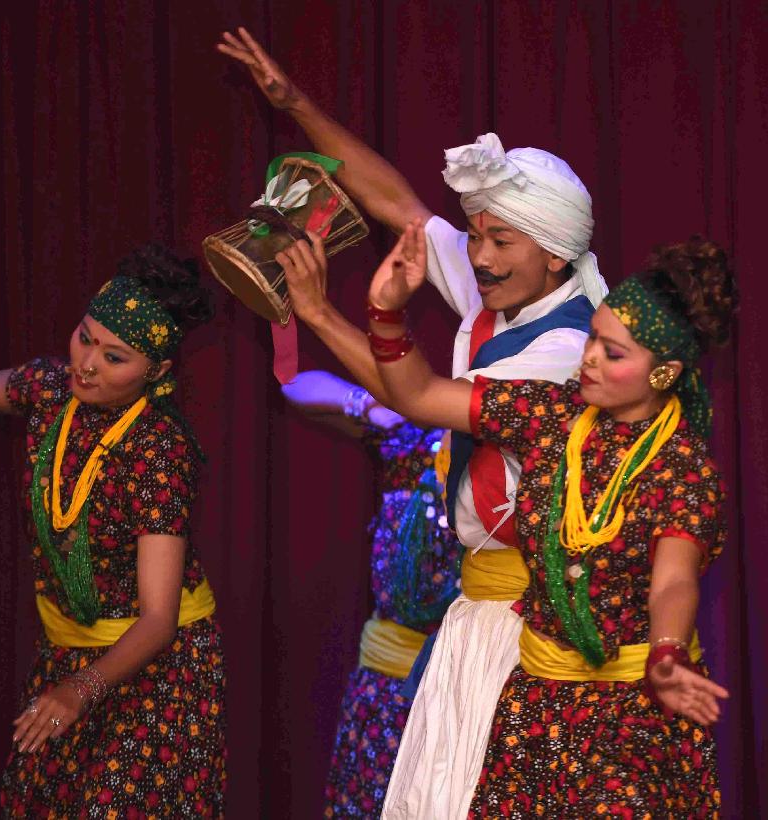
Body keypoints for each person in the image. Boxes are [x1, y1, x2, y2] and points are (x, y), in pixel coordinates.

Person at [219, 29, 609, 817]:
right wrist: (296, 104)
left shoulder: (567, 347)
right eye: (478, 236)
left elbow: (418, 396)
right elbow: (399, 205)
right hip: (481, 611)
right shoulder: (510, 289)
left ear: (555, 255)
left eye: (500, 241)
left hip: (533, 623)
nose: (480, 257)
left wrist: (319, 314)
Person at [277, 220, 734, 816]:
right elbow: (419, 396)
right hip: (534, 709)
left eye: (613, 352)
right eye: (593, 338)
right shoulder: (549, 414)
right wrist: (385, 315)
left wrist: (667, 653)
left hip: (631, 718)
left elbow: (673, 580)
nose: (590, 358)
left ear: (663, 373)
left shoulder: (682, 469)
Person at [0, 245, 227, 816]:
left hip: (160, 667)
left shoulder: (159, 450)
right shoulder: (49, 389)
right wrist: (70, 682)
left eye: (115, 357)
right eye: (84, 338)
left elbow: (158, 620)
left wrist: (79, 691)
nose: (86, 365)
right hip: (68, 651)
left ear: (157, 372)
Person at [280, 371, 461, 816]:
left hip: (461, 690)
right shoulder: (412, 441)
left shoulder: (509, 460)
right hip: (387, 687)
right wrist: (370, 407)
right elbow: (295, 385)